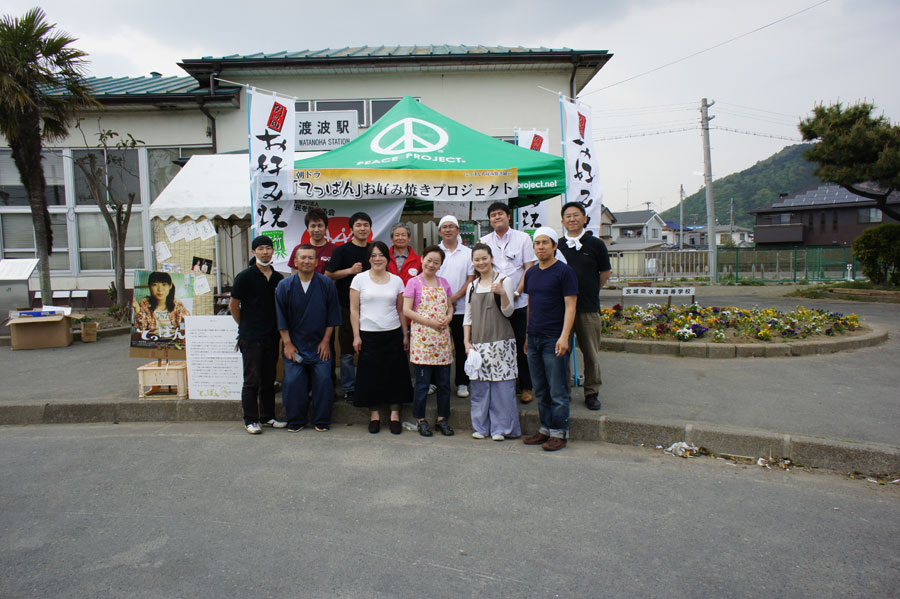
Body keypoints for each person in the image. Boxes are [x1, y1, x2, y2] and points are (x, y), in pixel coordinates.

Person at [522, 227, 578, 452]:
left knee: (557, 389)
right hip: (534, 337)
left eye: (545, 242)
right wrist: (527, 334)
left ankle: (559, 433)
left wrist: (565, 337)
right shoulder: (531, 273)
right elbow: (530, 305)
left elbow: (570, 305)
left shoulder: (564, 272)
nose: (541, 247)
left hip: (554, 337)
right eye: (537, 243)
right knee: (541, 388)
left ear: (555, 246)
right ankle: (545, 428)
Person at [276, 244, 341, 433]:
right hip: (294, 344)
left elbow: (332, 315)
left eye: (310, 258)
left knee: (323, 380)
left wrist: (326, 341)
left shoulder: (326, 284)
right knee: (293, 381)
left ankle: (321, 420)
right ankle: (296, 420)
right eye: (302, 258)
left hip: (320, 343)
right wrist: (287, 343)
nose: (306, 261)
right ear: (295, 261)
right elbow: (281, 317)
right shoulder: (285, 285)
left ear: (317, 261)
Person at [350, 241, 413, 434]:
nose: (377, 259)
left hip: (393, 333)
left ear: (388, 258)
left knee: (395, 375)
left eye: (381, 255)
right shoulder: (359, 279)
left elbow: (401, 310)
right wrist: (356, 336)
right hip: (368, 335)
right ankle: (374, 415)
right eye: (373, 255)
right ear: (369, 258)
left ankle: (395, 414)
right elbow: (354, 310)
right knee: (371, 376)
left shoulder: (396, 281)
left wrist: (404, 334)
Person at [463, 243, 521, 441]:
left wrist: (503, 293)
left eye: (484, 258)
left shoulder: (504, 280)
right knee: (479, 388)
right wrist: (466, 342)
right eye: (477, 259)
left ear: (491, 258)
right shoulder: (472, 286)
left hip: (502, 341)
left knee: (502, 387)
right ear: (473, 263)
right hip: (478, 342)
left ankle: (502, 429)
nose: (481, 262)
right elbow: (468, 317)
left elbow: (509, 311)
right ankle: (480, 427)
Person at [479, 202, 536, 404]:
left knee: (522, 343)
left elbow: (529, 268)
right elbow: (482, 269)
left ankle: (526, 386)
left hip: (519, 301)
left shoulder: (523, 238)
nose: (496, 217)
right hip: (494, 301)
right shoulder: (484, 241)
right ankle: (503, 383)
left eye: (500, 214)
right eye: (493, 215)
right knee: (498, 342)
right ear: (490, 219)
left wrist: (517, 292)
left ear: (508, 216)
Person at [229, 235, 286, 434]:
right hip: (251, 337)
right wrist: (244, 324)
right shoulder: (244, 276)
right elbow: (234, 305)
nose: (265, 252)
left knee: (269, 379)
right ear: (253, 252)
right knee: (251, 379)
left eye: (268, 248)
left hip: (271, 336)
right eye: (260, 248)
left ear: (273, 252)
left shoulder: (278, 278)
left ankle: (268, 416)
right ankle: (250, 420)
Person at [558, 202, 612, 411]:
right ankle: (564, 390)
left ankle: (591, 391)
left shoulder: (596, 244)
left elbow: (604, 274)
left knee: (590, 352)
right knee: (562, 351)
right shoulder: (558, 245)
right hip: (562, 309)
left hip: (588, 307)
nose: (572, 219)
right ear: (562, 222)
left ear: (585, 219)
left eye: (576, 215)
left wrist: (591, 291)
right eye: (568, 216)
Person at [403, 245, 455, 437]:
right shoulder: (413, 283)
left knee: (444, 384)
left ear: (440, 265)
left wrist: (448, 318)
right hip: (423, 340)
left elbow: (450, 307)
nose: (431, 264)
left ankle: (442, 419)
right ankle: (420, 419)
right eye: (429, 260)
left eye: (436, 262)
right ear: (422, 259)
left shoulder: (444, 283)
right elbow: (407, 310)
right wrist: (430, 323)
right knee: (423, 384)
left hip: (442, 339)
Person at [325, 211, 372, 402]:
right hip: (345, 305)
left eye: (366, 225)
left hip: (370, 307)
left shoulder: (373, 250)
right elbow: (329, 275)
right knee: (347, 348)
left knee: (368, 347)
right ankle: (349, 387)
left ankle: (366, 384)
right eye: (358, 225)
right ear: (351, 228)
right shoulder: (342, 250)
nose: (362, 228)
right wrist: (350, 271)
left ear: (370, 228)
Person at [436, 215, 475, 399]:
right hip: (437, 309)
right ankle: (434, 382)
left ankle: (462, 382)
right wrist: (443, 301)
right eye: (444, 227)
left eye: (452, 226)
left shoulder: (468, 253)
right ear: (439, 231)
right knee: (437, 346)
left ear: (458, 230)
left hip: (462, 308)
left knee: (461, 346)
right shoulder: (435, 252)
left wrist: (455, 297)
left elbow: (471, 279)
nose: (448, 230)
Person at [132, 271, 191, 340]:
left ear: (170, 286)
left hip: (172, 341)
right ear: (149, 286)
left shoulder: (177, 304)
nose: (160, 289)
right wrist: (137, 309)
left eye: (164, 284)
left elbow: (190, 321)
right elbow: (141, 329)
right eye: (155, 284)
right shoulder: (145, 303)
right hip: (152, 341)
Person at [287, 207, 335, 275]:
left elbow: (334, 277)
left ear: (326, 228)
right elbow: (294, 274)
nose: (316, 230)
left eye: (320, 226)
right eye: (313, 226)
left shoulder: (334, 250)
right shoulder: (298, 249)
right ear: (307, 229)